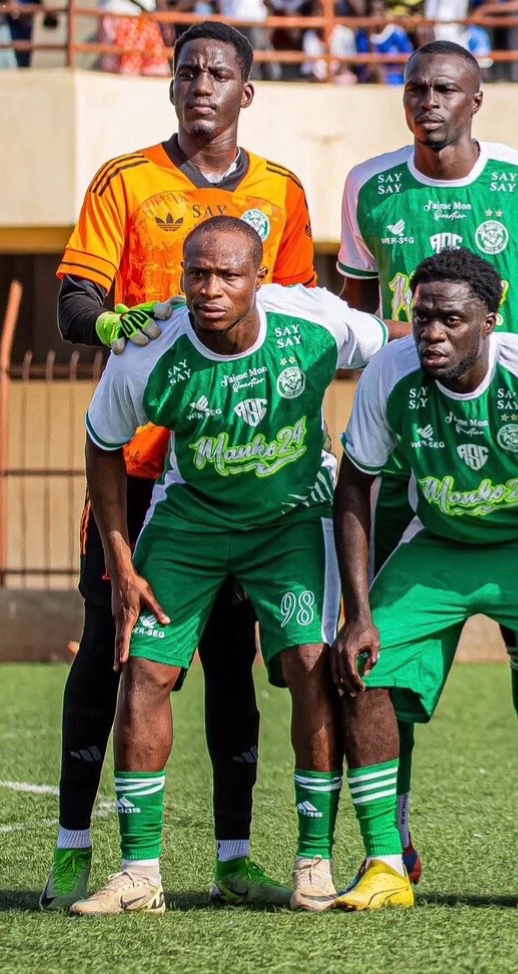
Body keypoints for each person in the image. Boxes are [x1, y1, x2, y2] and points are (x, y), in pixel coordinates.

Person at [43, 20, 317, 913]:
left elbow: (300, 314)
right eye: (188, 70)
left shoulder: (282, 192)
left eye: (219, 72)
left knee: (233, 661)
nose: (202, 83)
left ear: (247, 91)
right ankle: (74, 850)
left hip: (234, 469)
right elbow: (73, 302)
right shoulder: (125, 181)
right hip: (139, 467)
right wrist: (112, 323)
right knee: (111, 653)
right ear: (170, 86)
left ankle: (233, 858)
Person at [70, 216, 392, 915]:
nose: (210, 289)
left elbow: (387, 338)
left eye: (228, 275)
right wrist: (121, 562)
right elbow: (103, 444)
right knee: (146, 671)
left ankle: (314, 863)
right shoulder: (148, 352)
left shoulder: (312, 321)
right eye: (198, 274)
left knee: (311, 665)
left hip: (292, 516)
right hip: (191, 519)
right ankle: (139, 876)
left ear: (260, 279)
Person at [336, 40, 518, 891]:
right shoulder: (369, 185)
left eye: (445, 89)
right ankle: (390, 844)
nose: (428, 102)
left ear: (478, 99)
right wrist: (396, 386)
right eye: (415, 89)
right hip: (413, 462)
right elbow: (361, 314)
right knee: (375, 655)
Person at [332, 249, 518, 911]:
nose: (431, 333)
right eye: (422, 317)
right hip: (444, 541)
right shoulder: (390, 372)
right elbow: (355, 485)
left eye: (451, 320)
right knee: (363, 666)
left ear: (489, 321)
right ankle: (385, 862)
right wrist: (358, 613)